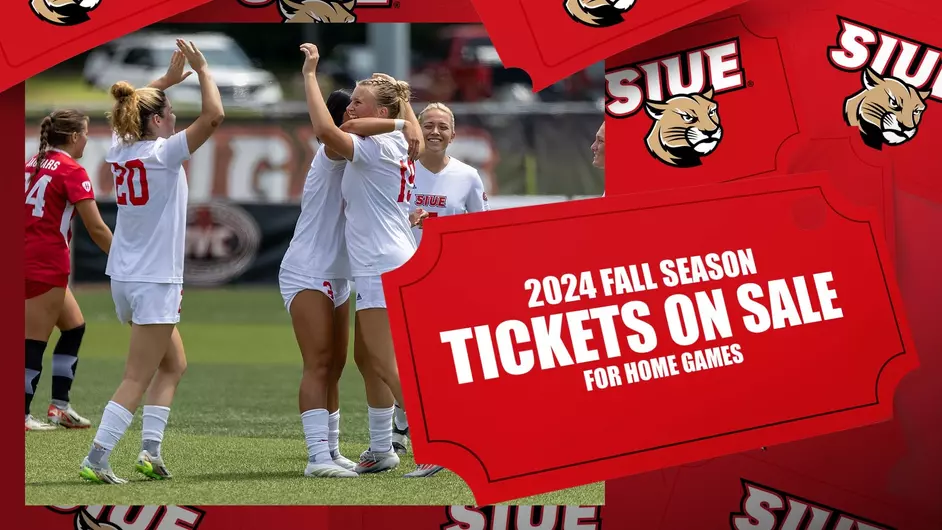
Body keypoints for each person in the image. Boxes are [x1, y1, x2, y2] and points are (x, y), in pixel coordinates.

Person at [79, 41, 224, 485]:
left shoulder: (121, 150)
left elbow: (128, 110)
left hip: (125, 276)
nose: (175, 118)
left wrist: (163, 81)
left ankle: (149, 453)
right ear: (157, 121)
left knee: (173, 365)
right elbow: (214, 116)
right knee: (135, 377)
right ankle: (97, 457)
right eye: (168, 112)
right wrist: (201, 71)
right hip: (153, 279)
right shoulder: (162, 152)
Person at [299, 43, 426, 475]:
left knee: (385, 360)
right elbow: (414, 135)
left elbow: (322, 127)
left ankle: (435, 443)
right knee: (371, 360)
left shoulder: (374, 146)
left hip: (380, 262)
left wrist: (310, 75)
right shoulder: (397, 139)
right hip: (395, 256)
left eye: (357, 102)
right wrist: (400, 115)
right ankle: (381, 448)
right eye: (350, 101)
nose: (349, 108)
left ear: (380, 110)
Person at [388, 102, 491, 478]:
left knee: (434, 364)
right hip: (395, 273)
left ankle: (438, 444)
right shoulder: (399, 167)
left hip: (442, 281)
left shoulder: (467, 176)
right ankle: (398, 431)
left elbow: (481, 232)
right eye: (427, 124)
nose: (434, 132)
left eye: (442, 127)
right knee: (393, 358)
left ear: (453, 133)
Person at [25, 110, 113, 432]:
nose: (88, 139)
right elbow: (98, 229)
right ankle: (19, 415)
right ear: (75, 137)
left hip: (28, 258)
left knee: (74, 327)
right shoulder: (73, 171)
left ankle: (59, 407)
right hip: (45, 263)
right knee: (32, 342)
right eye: (86, 133)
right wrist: (125, 260)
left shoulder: (32, 162)